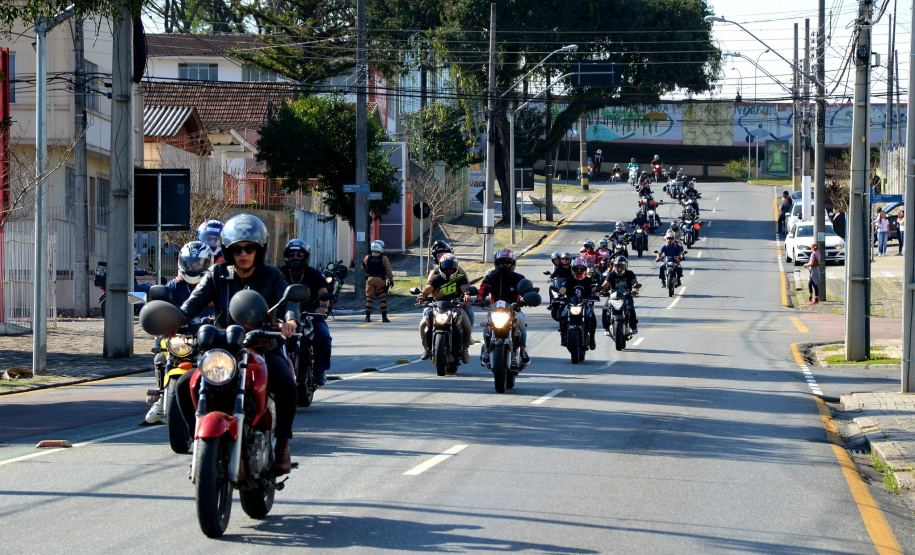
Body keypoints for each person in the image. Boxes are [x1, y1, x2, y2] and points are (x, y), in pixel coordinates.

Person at [177, 213, 299, 474]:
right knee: (182, 385)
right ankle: (198, 440)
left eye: (249, 248)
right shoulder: (217, 274)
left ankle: (283, 444)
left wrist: (290, 320)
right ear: (227, 250)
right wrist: (175, 320)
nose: (243, 253)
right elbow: (193, 303)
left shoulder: (272, 275)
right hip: (224, 348)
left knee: (287, 384)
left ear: (259, 250)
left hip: (263, 345)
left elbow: (289, 302)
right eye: (237, 249)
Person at [146, 241, 215, 424]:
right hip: (181, 338)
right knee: (160, 358)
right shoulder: (173, 287)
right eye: (189, 262)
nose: (192, 267)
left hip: (208, 339)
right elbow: (159, 304)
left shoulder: (214, 285)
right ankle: (162, 396)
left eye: (197, 263)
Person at [280, 239, 332, 386]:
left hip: (310, 315)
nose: (295, 258)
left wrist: (322, 306)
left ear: (305, 257)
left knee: (323, 336)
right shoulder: (279, 273)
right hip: (284, 317)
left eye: (299, 255)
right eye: (292, 255)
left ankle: (319, 371)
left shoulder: (313, 274)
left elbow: (324, 291)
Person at [477, 248, 530, 365]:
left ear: (513, 263)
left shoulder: (519, 278)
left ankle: (523, 352)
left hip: (514, 310)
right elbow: (482, 289)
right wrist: (479, 299)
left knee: (522, 325)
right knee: (487, 326)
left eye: (507, 263)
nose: (505, 265)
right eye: (502, 262)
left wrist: (528, 298)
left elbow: (526, 290)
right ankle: (486, 351)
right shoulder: (490, 277)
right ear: (496, 263)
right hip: (494, 311)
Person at [417, 253, 473, 362]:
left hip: (456, 307)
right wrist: (422, 295)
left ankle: (465, 350)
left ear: (455, 268)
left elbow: (465, 288)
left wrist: (466, 295)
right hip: (438, 307)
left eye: (451, 269)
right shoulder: (436, 277)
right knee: (422, 325)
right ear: (441, 267)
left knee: (467, 325)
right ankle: (426, 349)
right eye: (446, 269)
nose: (448, 271)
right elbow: (428, 287)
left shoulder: (460, 278)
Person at [428, 240, 475, 328]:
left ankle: (467, 337)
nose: (443, 256)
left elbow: (466, 286)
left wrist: (467, 297)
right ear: (435, 258)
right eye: (439, 255)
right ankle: (426, 339)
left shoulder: (459, 270)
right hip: (438, 305)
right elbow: (429, 288)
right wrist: (430, 295)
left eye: (445, 253)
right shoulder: (434, 272)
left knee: (469, 316)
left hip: (457, 303)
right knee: (425, 317)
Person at [558, 257, 600, 349]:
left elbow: (594, 288)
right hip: (571, 304)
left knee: (592, 318)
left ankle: (592, 339)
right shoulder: (569, 280)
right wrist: (559, 295)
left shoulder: (588, 280)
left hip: (585, 304)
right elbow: (563, 289)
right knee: (562, 316)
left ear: (585, 269)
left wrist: (596, 295)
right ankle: (563, 336)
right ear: (573, 269)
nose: (579, 270)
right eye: (577, 269)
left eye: (581, 268)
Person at [598, 256, 640, 334]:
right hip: (613, 298)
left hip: (626, 297)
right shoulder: (611, 274)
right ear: (614, 266)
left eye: (622, 266)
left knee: (631, 309)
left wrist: (635, 290)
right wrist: (599, 292)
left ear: (626, 266)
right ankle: (606, 329)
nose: (620, 268)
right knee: (605, 308)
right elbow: (605, 285)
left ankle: (633, 326)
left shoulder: (630, 273)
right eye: (618, 266)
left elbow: (635, 284)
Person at [362, 240, 394, 322]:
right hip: (380, 279)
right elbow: (388, 271)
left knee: (369, 299)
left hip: (370, 279)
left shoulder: (367, 257)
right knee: (382, 298)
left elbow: (363, 267)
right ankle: (384, 317)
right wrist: (391, 280)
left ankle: (367, 317)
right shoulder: (384, 258)